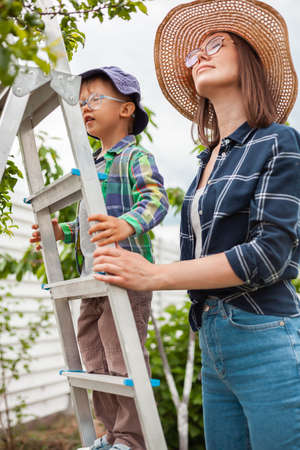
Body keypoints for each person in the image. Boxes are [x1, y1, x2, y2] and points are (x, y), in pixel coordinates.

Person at [92, 1, 300, 449]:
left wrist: (154, 275)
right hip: (211, 337)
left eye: (214, 45)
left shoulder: (279, 141)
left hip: (265, 335)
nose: (198, 55)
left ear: (250, 60)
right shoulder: (207, 161)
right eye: (192, 53)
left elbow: (267, 254)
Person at [30, 66, 169, 450]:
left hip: (124, 279)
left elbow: (157, 199)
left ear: (126, 110)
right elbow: (90, 225)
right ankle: (111, 433)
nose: (85, 107)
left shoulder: (134, 156)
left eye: (95, 99)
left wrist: (127, 225)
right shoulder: (90, 166)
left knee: (122, 358)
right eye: (81, 102)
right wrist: (63, 233)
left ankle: (132, 437)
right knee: (94, 359)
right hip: (92, 280)